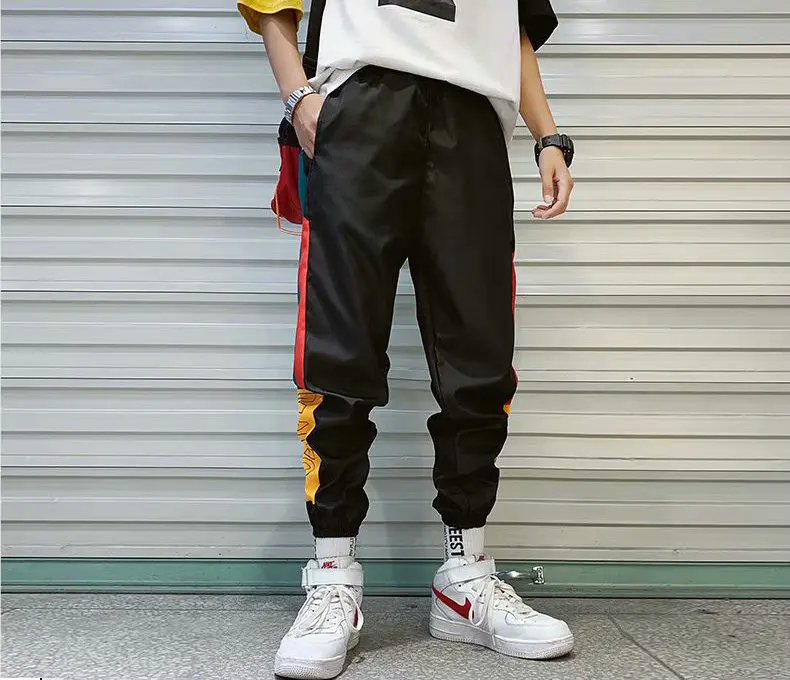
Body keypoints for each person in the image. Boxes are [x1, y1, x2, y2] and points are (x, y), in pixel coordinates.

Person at [238, 1, 576, 677]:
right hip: (361, 103)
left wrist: (548, 136)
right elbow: (274, 6)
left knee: (479, 354)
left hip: (474, 116)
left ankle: (466, 576)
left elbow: (514, 27)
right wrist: (300, 97)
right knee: (339, 350)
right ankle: (333, 574)